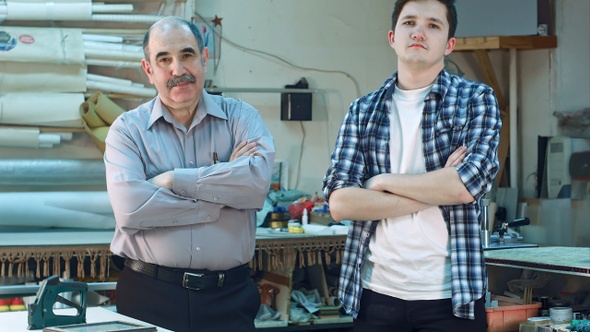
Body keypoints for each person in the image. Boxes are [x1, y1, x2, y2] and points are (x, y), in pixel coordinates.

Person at [322, 0, 501, 331]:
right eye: (410, 23)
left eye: (433, 25)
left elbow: (466, 185)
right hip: (376, 296)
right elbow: (341, 203)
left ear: (449, 44)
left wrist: (380, 181)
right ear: (393, 37)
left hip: (452, 296)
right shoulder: (362, 111)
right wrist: (440, 186)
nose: (419, 31)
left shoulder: (476, 100)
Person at [104, 16, 275, 332]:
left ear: (204, 58)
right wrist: (221, 198)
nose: (177, 70)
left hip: (229, 299)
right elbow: (130, 209)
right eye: (164, 60)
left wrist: (171, 181)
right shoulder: (127, 130)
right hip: (149, 294)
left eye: (186, 55)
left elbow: (255, 186)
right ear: (149, 70)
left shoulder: (242, 118)